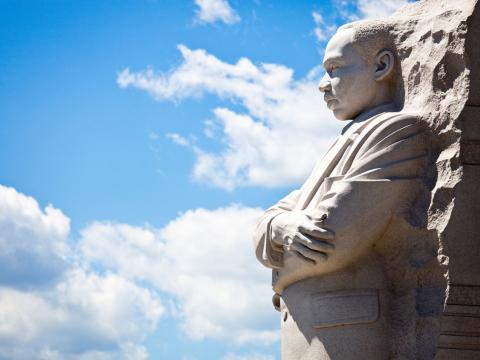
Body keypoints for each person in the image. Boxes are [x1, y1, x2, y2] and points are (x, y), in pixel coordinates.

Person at [254, 20, 427, 360]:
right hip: (312, 329)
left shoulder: (396, 131)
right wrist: (282, 227)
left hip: (343, 328)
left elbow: (328, 240)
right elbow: (269, 220)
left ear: (382, 66)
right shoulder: (346, 140)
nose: (322, 85)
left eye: (334, 69)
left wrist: (277, 270)